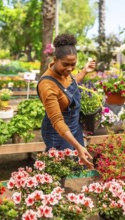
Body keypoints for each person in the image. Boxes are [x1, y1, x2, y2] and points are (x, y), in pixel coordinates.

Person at [37, 34, 96, 169]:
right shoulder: (47, 84)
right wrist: (77, 146)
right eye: (65, 65)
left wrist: (85, 71)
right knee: (60, 168)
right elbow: (57, 120)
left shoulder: (64, 73)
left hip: (74, 127)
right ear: (55, 59)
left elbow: (70, 83)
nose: (69, 69)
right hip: (57, 132)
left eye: (73, 64)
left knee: (75, 165)